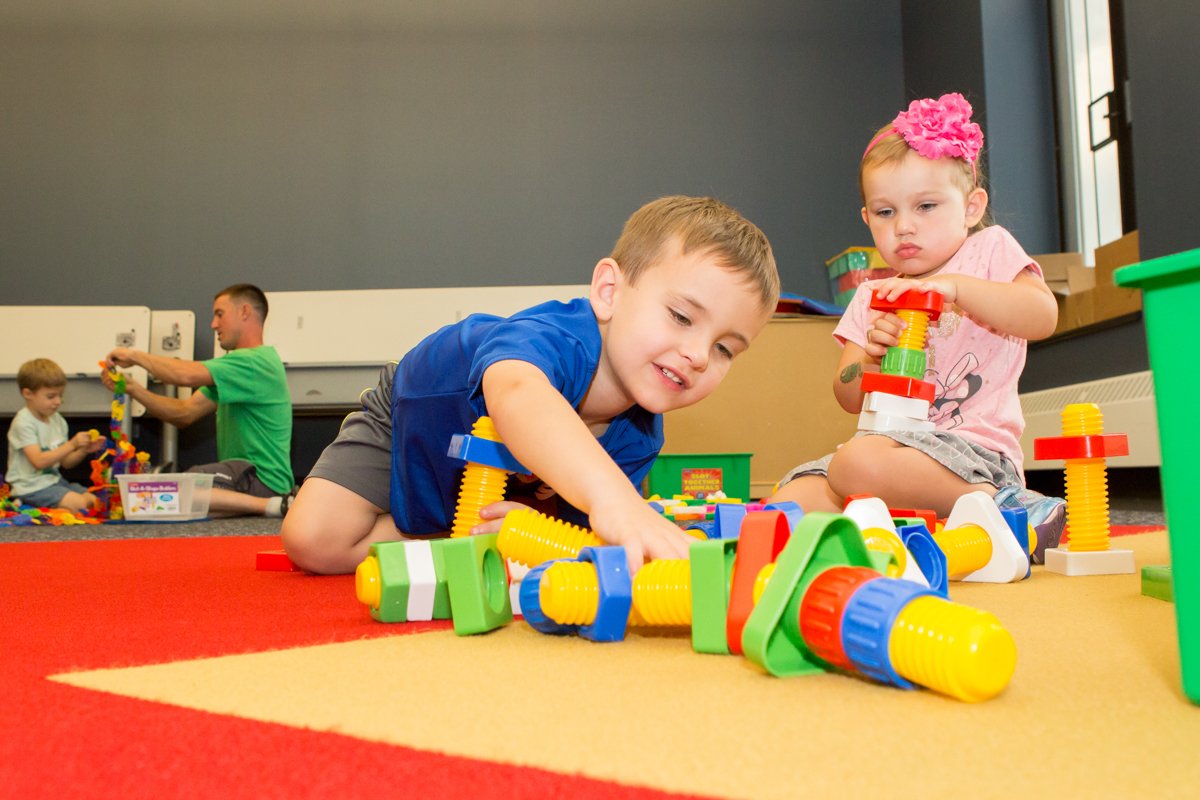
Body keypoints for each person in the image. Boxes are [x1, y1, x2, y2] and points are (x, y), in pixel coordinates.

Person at [282, 195, 781, 574]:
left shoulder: (639, 436)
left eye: (724, 349)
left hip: (492, 482)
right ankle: (433, 521)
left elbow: (583, 540)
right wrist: (617, 501)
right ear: (609, 292)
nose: (697, 355)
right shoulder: (556, 337)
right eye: (680, 316)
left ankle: (442, 538)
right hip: (418, 416)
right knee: (313, 541)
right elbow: (518, 394)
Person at [767, 93, 1066, 563]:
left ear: (971, 207)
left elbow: (1042, 315)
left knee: (856, 464)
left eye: (925, 206)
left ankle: (1010, 508)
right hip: (886, 449)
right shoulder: (872, 294)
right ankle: (879, 535)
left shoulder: (989, 250)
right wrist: (867, 357)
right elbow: (847, 393)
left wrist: (959, 290)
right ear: (867, 219)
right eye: (886, 213)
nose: (904, 226)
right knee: (787, 502)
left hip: (974, 456)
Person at [102, 283, 295, 517]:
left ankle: (273, 505)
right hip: (243, 479)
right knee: (154, 501)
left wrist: (134, 355)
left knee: (169, 491)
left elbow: (185, 375)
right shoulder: (236, 371)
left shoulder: (254, 361)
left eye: (219, 314)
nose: (214, 324)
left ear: (244, 312)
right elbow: (184, 412)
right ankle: (262, 505)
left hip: (259, 478)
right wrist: (132, 388)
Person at [6, 358, 106, 512]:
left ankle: (55, 509)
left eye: (60, 395)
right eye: (51, 396)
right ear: (28, 393)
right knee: (81, 505)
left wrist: (82, 450)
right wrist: (72, 444)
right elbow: (38, 462)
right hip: (29, 487)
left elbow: (66, 463)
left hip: (54, 481)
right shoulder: (23, 423)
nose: (58, 402)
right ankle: (31, 508)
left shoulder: (57, 420)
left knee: (96, 502)